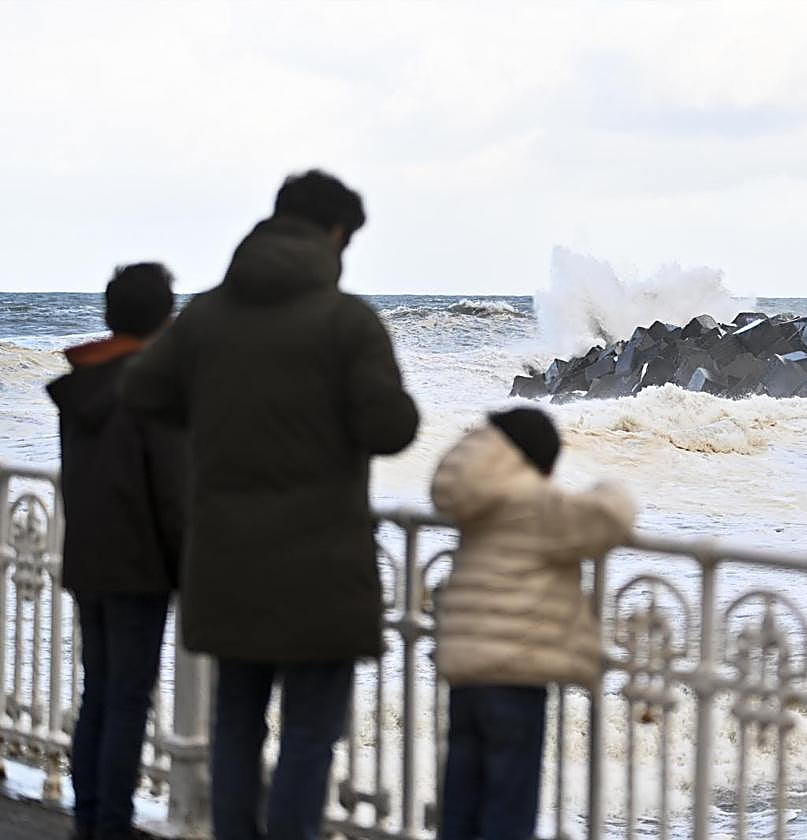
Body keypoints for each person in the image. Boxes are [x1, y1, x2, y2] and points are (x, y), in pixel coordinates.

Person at [122, 170, 420, 840]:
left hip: (226, 561)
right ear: (336, 234)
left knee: (235, 729)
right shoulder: (347, 322)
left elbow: (142, 388)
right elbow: (391, 428)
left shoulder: (205, 316)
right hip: (320, 565)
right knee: (309, 736)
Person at [432, 407, 635, 840]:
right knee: (509, 803)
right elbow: (609, 518)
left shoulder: (477, 499)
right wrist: (611, 484)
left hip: (466, 671)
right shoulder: (532, 500)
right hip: (514, 673)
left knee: (462, 799)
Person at [47, 263, 186, 840]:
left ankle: (89, 818)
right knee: (128, 699)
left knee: (98, 691)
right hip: (140, 562)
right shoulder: (150, 384)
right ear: (164, 317)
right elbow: (170, 485)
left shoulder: (85, 384)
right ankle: (111, 823)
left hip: (88, 554)